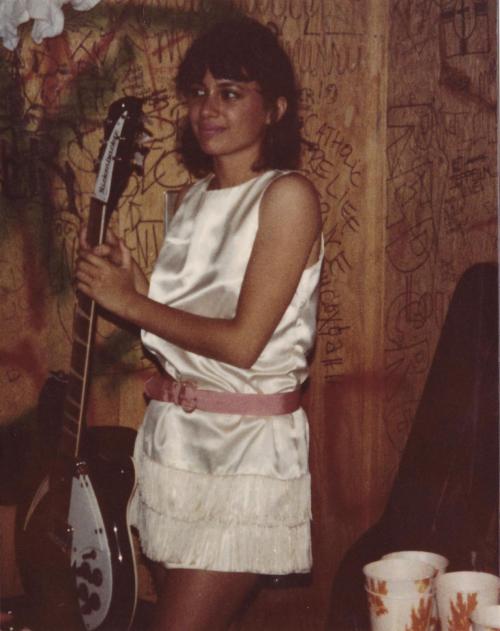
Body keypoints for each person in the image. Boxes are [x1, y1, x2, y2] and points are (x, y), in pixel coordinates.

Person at [76, 16, 323, 631]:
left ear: (275, 109)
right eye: (198, 93)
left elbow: (242, 343)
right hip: (175, 447)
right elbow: (184, 329)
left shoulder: (288, 196)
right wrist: (130, 288)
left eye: (231, 92)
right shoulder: (185, 203)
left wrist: (132, 304)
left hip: (246, 456)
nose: (206, 108)